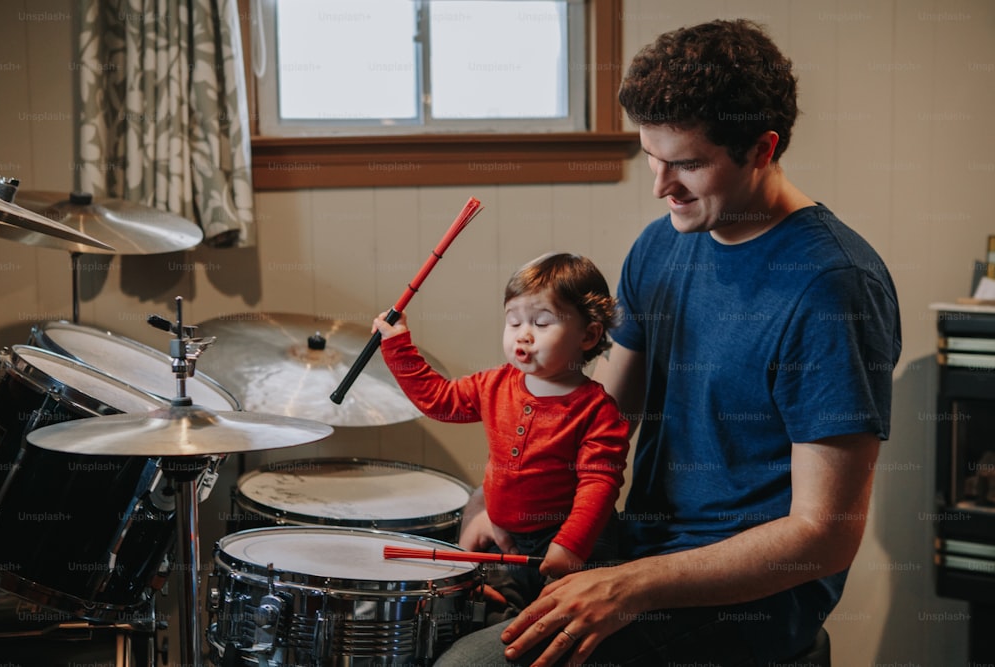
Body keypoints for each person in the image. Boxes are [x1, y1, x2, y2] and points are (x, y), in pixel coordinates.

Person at [434, 18, 901, 667]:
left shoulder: (831, 289)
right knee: (440, 609)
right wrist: (499, 501)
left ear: (762, 149)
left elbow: (823, 535)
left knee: (470, 666)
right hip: (640, 548)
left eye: (686, 163)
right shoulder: (662, 244)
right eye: (653, 156)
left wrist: (628, 584)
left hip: (750, 601)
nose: (660, 184)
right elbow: (598, 418)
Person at [374, 252, 630, 616]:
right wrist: (398, 346)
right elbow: (439, 400)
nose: (523, 335)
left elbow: (599, 485)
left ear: (588, 335)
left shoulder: (596, 410)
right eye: (513, 322)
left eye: (541, 323)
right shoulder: (494, 384)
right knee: (486, 611)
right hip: (505, 537)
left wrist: (570, 546)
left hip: (573, 538)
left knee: (557, 622)